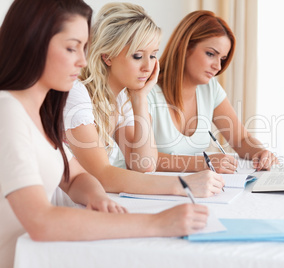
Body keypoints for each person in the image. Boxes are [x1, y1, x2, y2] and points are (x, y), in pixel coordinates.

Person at [0, 1, 208, 267]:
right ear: (34, 43)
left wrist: (96, 195)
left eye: (84, 48)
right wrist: (157, 222)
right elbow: (41, 221)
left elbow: (75, 177)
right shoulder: (8, 111)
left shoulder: (41, 111)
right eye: (71, 48)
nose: (83, 60)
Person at [63, 3, 224, 197]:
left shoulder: (122, 97)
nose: (148, 67)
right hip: (63, 207)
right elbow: (102, 175)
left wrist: (140, 98)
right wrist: (181, 184)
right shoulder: (76, 94)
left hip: (93, 203)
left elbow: (143, 164)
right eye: (138, 56)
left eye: (153, 55)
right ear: (107, 56)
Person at [148, 10, 279, 173]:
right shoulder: (147, 91)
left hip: (197, 189)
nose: (218, 66)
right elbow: (141, 159)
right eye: (211, 54)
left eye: (222, 58)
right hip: (153, 192)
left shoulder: (210, 88)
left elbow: (241, 139)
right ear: (185, 46)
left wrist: (260, 152)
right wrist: (204, 163)